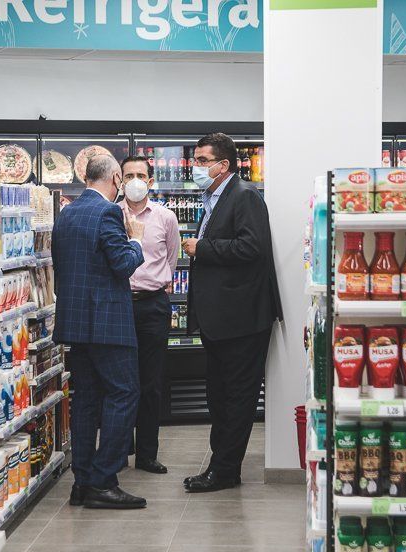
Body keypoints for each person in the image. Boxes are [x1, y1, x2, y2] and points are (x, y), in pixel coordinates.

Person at [181, 133, 283, 493]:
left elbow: (251, 246)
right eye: (195, 160)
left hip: (241, 320)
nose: (196, 167)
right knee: (220, 396)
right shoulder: (213, 198)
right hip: (221, 320)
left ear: (224, 165)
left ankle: (224, 471)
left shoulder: (244, 197)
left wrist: (202, 248)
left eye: (203, 160)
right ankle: (221, 465)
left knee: (236, 398)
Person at [51, 154, 148, 509]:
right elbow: (123, 264)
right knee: (124, 394)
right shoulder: (108, 212)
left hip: (76, 324)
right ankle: (104, 481)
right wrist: (135, 240)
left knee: (86, 401)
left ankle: (83, 481)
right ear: (115, 179)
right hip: (107, 324)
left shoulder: (67, 213)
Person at [119, 155, 180, 475]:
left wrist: (157, 282)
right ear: (120, 180)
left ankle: (147, 454)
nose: (135, 180)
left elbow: (171, 257)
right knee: (118, 380)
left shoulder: (166, 217)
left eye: (140, 175)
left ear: (151, 181)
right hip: (119, 304)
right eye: (128, 175)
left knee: (151, 382)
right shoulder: (112, 215)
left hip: (154, 305)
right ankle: (118, 450)